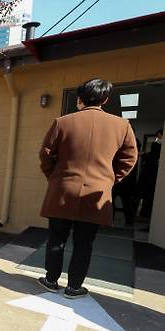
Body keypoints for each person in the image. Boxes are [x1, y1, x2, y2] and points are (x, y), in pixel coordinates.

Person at [38, 79, 137, 299]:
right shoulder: (122, 125)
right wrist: (110, 179)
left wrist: (54, 176)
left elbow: (45, 154)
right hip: (97, 194)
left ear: (80, 98)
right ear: (106, 99)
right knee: (85, 242)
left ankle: (51, 280)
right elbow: (130, 159)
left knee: (56, 238)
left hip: (62, 189)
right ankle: (74, 287)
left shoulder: (62, 122)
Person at [138, 129, 162, 222]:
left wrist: (144, 155)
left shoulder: (157, 145)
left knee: (149, 196)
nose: (157, 138)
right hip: (151, 175)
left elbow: (153, 155)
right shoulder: (157, 144)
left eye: (158, 136)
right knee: (148, 196)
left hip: (151, 175)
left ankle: (146, 215)